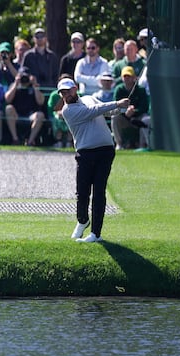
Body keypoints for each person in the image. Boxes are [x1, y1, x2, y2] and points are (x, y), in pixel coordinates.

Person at [57, 77, 130, 242]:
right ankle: (83, 221)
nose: (65, 95)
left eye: (67, 91)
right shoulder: (68, 110)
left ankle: (96, 234)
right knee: (82, 193)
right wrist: (117, 103)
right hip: (85, 154)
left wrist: (122, 109)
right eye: (62, 93)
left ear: (75, 89)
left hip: (105, 151)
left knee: (99, 192)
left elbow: (106, 112)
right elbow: (94, 111)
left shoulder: (89, 98)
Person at [111, 66, 150, 150]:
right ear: (122, 78)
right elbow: (115, 106)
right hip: (124, 118)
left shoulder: (141, 90)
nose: (127, 79)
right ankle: (119, 144)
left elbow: (144, 107)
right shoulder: (119, 89)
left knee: (146, 119)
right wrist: (125, 111)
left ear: (134, 78)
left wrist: (134, 111)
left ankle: (143, 145)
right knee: (115, 117)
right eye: (125, 76)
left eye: (129, 76)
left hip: (138, 118)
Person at [4, 68, 46, 146]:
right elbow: (7, 100)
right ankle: (15, 139)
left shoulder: (34, 86)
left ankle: (30, 141)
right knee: (8, 108)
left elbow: (41, 102)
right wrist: (15, 84)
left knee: (40, 115)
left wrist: (35, 87)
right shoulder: (14, 85)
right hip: (16, 114)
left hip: (30, 115)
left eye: (26, 76)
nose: (24, 79)